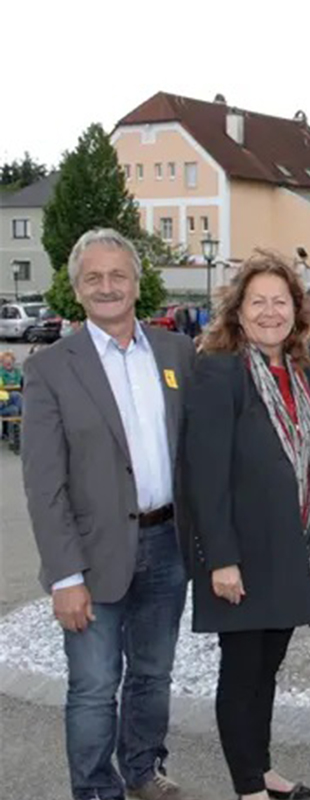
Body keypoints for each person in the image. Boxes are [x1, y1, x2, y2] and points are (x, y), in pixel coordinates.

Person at [21, 228, 195, 800]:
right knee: (95, 686)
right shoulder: (50, 368)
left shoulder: (176, 352)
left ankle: (142, 769)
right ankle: (96, 789)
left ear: (138, 284)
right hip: (91, 556)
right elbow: (43, 484)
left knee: (153, 674)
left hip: (167, 544)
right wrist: (65, 577)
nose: (107, 286)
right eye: (93, 277)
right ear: (76, 288)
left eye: (118, 275)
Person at [182, 251, 310, 800]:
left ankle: (261, 768)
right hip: (241, 557)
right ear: (238, 312)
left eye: (280, 302)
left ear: (296, 310)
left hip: (289, 552)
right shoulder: (220, 370)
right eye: (258, 302)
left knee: (267, 670)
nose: (270, 312)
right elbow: (205, 473)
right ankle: (248, 787)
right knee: (242, 674)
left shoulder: (300, 372)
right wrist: (221, 558)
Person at [0, 350, 21, 417]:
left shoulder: (18, 372)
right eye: (5, 361)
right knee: (16, 395)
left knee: (14, 409)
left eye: (10, 361)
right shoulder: (1, 372)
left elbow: (19, 382)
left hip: (8, 396)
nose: (8, 362)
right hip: (5, 397)